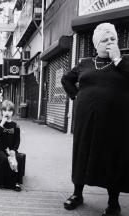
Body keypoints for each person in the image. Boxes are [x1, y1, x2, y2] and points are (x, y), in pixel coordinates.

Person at [61, 23, 129, 216]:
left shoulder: (124, 62)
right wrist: (76, 96)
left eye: (112, 39)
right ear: (96, 45)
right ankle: (77, 194)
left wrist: (118, 60)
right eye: (104, 40)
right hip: (86, 122)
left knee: (112, 158)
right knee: (82, 154)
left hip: (115, 123)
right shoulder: (85, 64)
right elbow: (66, 79)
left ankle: (113, 204)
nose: (109, 42)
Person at [0, 100, 21, 192]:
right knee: (4, 159)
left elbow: (17, 140)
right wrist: (2, 123)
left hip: (11, 150)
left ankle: (16, 182)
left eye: (10, 111)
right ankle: (4, 182)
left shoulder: (16, 126)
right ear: (2, 112)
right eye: (5, 110)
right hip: (0, 150)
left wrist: (14, 150)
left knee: (17, 159)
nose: (7, 113)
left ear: (13, 112)